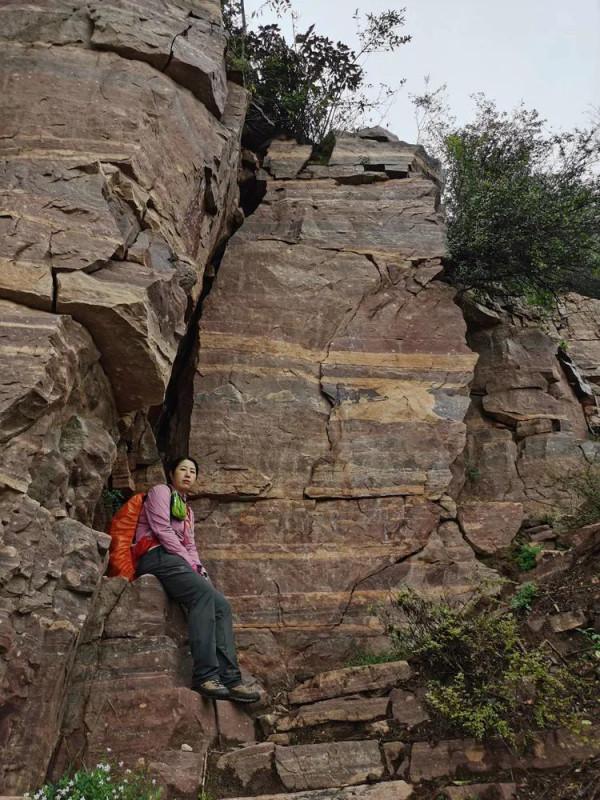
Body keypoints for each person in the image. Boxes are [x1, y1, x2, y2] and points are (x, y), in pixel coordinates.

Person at [133, 456, 259, 703]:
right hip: (154, 554)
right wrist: (188, 563)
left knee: (221, 604)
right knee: (202, 595)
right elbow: (162, 530)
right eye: (183, 469)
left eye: (192, 471)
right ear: (171, 474)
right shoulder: (161, 492)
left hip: (176, 560)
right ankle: (205, 676)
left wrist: (200, 571)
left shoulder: (187, 510)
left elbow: (190, 545)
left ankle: (231, 679)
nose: (188, 474)